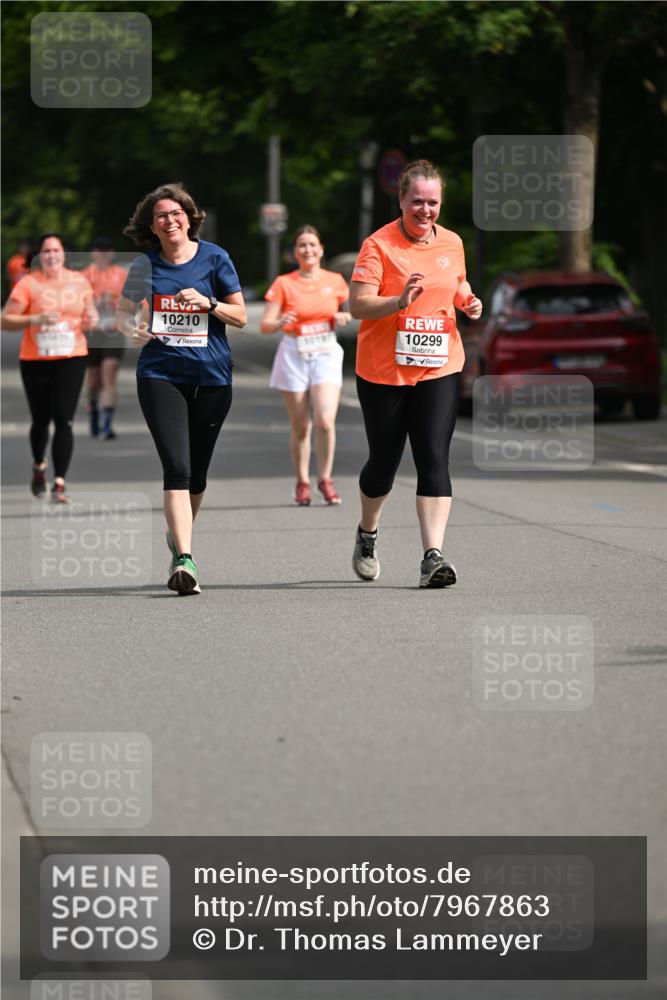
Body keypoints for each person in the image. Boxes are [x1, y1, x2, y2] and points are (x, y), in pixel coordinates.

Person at [349, 159, 482, 588]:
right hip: (383, 370)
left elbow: (455, 281)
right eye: (417, 202)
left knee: (433, 457)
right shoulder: (378, 246)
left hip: (440, 365)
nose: (425, 210)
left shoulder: (452, 243)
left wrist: (468, 300)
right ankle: (368, 532)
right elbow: (358, 305)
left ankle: (433, 557)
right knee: (383, 464)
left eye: (433, 203)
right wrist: (398, 302)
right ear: (401, 200)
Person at [116, 183, 247, 596]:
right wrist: (131, 329)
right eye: (160, 216)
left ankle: (179, 534)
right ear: (152, 227)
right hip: (160, 374)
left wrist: (209, 304)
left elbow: (241, 316)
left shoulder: (215, 258)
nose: (169, 220)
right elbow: (121, 312)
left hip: (212, 377)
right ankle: (185, 560)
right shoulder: (145, 265)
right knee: (177, 467)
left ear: (189, 218)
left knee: (198, 475)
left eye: (176, 213)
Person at [1, 233, 97, 503]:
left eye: (56, 250)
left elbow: (91, 313)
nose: (52, 255)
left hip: (72, 356)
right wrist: (36, 318)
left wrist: (91, 318)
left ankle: (59, 483)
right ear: (39, 256)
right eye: (46, 251)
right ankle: (39, 464)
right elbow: (4, 320)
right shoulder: (28, 284)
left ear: (64, 253)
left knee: (64, 419)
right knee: (41, 420)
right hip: (36, 359)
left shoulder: (79, 282)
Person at [260, 225, 351, 506]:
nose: (308, 250)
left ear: (321, 250)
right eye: (302, 245)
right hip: (294, 353)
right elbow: (265, 325)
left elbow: (347, 312)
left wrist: (342, 318)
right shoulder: (284, 283)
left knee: (325, 421)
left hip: (325, 352)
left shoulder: (335, 280)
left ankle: (325, 479)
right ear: (294, 252)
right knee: (301, 427)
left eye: (313, 244)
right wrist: (279, 323)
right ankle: (302, 481)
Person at [82, 237, 128, 440]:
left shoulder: (121, 275)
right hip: (90, 331)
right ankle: (94, 415)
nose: (102, 254)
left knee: (109, 373)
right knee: (93, 380)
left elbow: (135, 301)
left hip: (113, 331)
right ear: (93, 253)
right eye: (98, 250)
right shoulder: (83, 276)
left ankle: (107, 426)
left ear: (112, 253)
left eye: (106, 250)